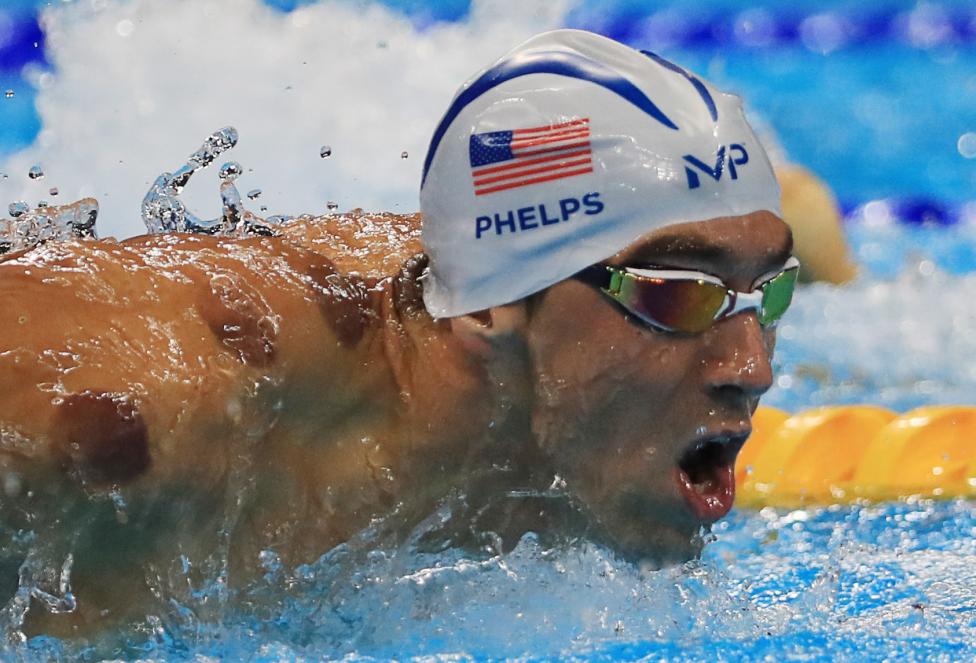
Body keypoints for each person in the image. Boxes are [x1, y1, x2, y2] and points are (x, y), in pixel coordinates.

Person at [0, 29, 796, 636]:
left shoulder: (569, 408)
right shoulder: (141, 413)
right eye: (676, 295)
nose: (751, 367)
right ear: (491, 308)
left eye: (767, 288)